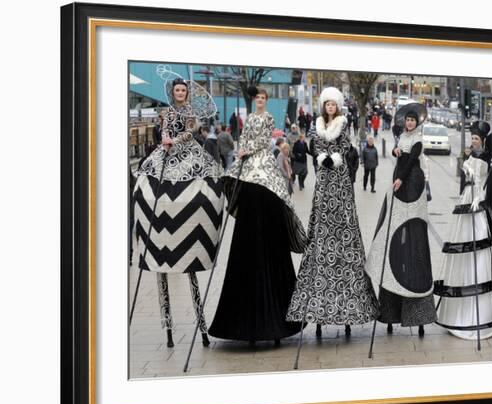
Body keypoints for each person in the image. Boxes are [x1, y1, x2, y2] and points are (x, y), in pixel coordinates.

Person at [208, 87, 307, 346]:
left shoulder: (268, 119)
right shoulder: (248, 118)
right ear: (254, 101)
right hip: (247, 165)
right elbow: (244, 138)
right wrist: (242, 151)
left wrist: (246, 151)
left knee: (269, 190)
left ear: (266, 101)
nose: (261, 101)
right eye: (258, 98)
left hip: (261, 165)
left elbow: (264, 141)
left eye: (264, 98)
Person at [133, 77, 224, 348]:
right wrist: (164, 140)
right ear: (173, 93)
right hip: (165, 152)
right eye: (178, 91)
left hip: (186, 153)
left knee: (206, 185)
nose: (181, 94)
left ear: (187, 94)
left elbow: (190, 131)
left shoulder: (189, 113)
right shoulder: (167, 111)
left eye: (184, 91)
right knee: (144, 184)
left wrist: (176, 139)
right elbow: (163, 131)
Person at [286, 87, 379, 338]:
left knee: (342, 211)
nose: (330, 108)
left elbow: (346, 144)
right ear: (323, 106)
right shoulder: (317, 125)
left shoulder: (342, 124)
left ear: (337, 106)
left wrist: (334, 157)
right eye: (326, 104)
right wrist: (319, 156)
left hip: (338, 176)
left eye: (333, 104)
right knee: (321, 210)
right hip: (323, 178)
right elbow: (313, 144)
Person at [366, 103, 436, 338]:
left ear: (417, 124)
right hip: (398, 184)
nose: (409, 123)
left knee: (411, 237)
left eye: (413, 121)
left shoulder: (417, 140)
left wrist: (400, 179)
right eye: (407, 120)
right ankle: (390, 307)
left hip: (410, 185)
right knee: (392, 232)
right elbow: (401, 158)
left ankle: (415, 310)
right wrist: (397, 153)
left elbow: (410, 161)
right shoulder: (402, 138)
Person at [434, 121, 492, 341]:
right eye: (473, 138)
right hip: (467, 199)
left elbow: (485, 181)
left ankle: (480, 312)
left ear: (483, 140)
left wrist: (480, 198)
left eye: (477, 139)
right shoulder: (470, 155)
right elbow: (465, 180)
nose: (473, 141)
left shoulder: (487, 158)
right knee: (463, 244)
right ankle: (459, 312)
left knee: (478, 246)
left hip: (477, 202)